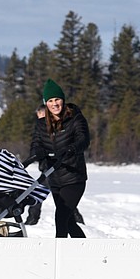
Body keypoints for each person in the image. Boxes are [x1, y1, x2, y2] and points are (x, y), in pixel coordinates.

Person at [28, 78, 90, 239]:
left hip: (73, 177)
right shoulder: (41, 124)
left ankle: (58, 256)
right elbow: (35, 144)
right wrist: (38, 152)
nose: (55, 104)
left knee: (60, 218)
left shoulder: (76, 119)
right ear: (46, 103)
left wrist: (72, 148)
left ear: (63, 100)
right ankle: (84, 251)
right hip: (54, 178)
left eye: (57, 99)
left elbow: (84, 140)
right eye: (50, 100)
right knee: (69, 221)